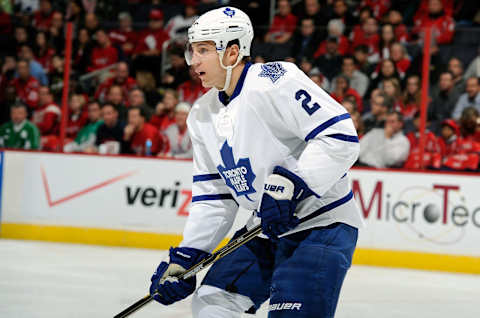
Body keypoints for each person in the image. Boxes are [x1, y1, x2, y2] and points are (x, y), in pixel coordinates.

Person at [148, 7, 363, 318]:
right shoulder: (201, 114)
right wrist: (188, 255)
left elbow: (339, 135)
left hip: (321, 224)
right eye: (191, 51)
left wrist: (293, 183)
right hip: (264, 229)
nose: (193, 61)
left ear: (232, 52)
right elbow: (215, 196)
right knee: (212, 302)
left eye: (204, 50)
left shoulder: (276, 80)